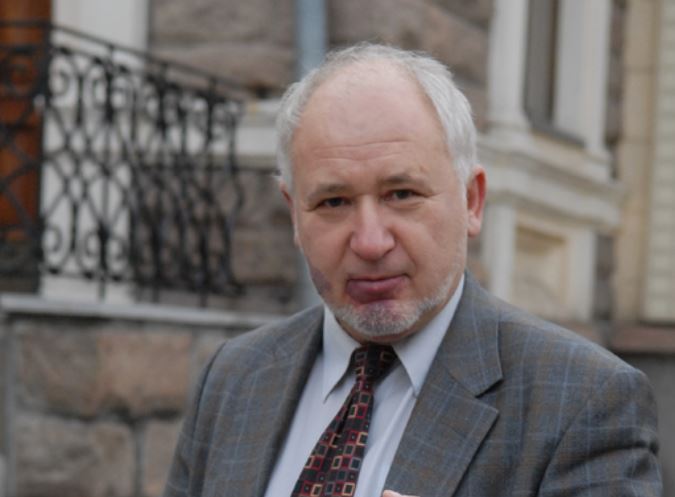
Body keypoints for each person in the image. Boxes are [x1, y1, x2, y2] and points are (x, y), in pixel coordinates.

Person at [163, 43, 661, 497]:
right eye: (333, 202)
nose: (370, 242)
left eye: (402, 194)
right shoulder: (233, 378)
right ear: (294, 214)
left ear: (471, 201)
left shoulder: (582, 399)